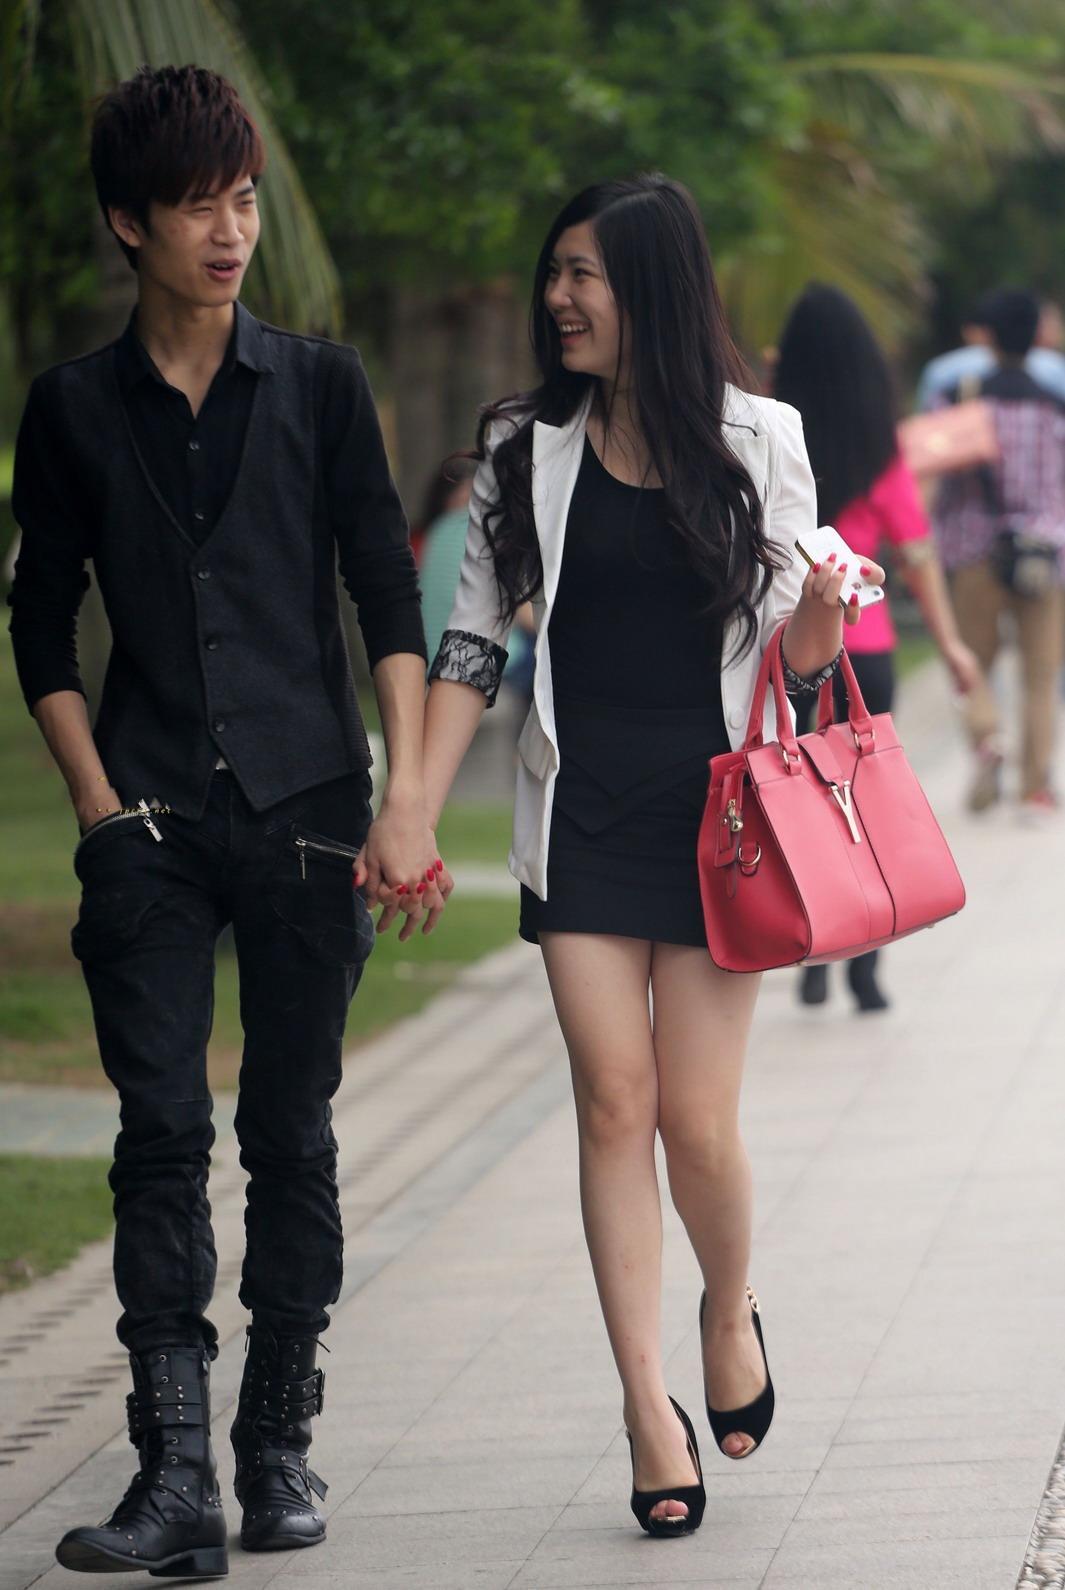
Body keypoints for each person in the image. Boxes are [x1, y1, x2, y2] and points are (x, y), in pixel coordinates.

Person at [8, 65, 444, 1574]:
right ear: (129, 223)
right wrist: (94, 797)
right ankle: (173, 1472)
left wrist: (405, 800)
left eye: (244, 199)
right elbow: (38, 618)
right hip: (149, 817)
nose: (230, 231)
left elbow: (384, 588)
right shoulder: (71, 407)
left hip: (311, 809)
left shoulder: (320, 386)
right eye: (198, 205)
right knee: (160, 1131)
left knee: (290, 1132)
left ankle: (276, 1449)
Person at [411, 174, 883, 1537]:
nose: (560, 297)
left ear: (654, 288)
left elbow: (799, 664)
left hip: (722, 820)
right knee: (613, 1103)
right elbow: (472, 637)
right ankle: (642, 1404)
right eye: (554, 271)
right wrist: (414, 807)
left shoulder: (762, 438)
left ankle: (727, 1305)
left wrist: (822, 614)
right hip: (582, 814)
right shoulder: (522, 446)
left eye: (587, 275)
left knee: (696, 1123)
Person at [772, 283, 979, 1011]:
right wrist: (950, 644)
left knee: (799, 801)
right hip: (868, 651)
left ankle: (813, 951)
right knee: (865, 806)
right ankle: (865, 964)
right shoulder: (878, 447)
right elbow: (916, 552)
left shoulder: (774, 440)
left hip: (790, 649)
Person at [929, 288, 1065, 817]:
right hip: (1044, 556)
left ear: (986, 338)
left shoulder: (960, 401)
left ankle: (988, 739)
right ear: (1038, 335)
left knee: (973, 663)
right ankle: (1034, 786)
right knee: (1040, 675)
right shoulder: (1055, 407)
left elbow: (932, 472)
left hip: (974, 551)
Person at [916, 294, 1065, 410]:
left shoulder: (943, 369)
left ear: (987, 331)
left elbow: (928, 426)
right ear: (1037, 330)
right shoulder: (1054, 367)